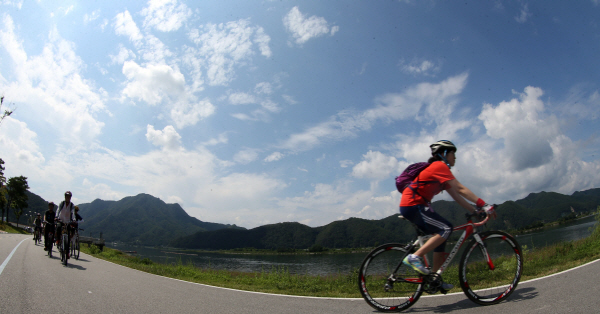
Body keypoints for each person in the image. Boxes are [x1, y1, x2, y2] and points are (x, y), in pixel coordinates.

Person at [399, 140, 496, 291]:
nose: (455, 157)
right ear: (444, 154)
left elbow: (457, 196)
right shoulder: (439, 166)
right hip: (413, 204)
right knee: (446, 229)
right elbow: (460, 188)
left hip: (417, 205)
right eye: (453, 153)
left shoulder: (441, 172)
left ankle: (434, 280)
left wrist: (475, 210)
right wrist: (484, 204)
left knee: (441, 237)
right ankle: (414, 257)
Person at [55, 191, 76, 258]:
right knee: (58, 228)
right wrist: (56, 217)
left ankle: (67, 252)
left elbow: (73, 212)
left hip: (68, 222)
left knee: (68, 236)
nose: (68, 198)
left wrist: (74, 219)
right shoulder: (62, 203)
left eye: (69, 197)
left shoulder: (72, 205)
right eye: (66, 196)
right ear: (65, 197)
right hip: (60, 220)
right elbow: (58, 210)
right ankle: (58, 240)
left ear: (70, 198)